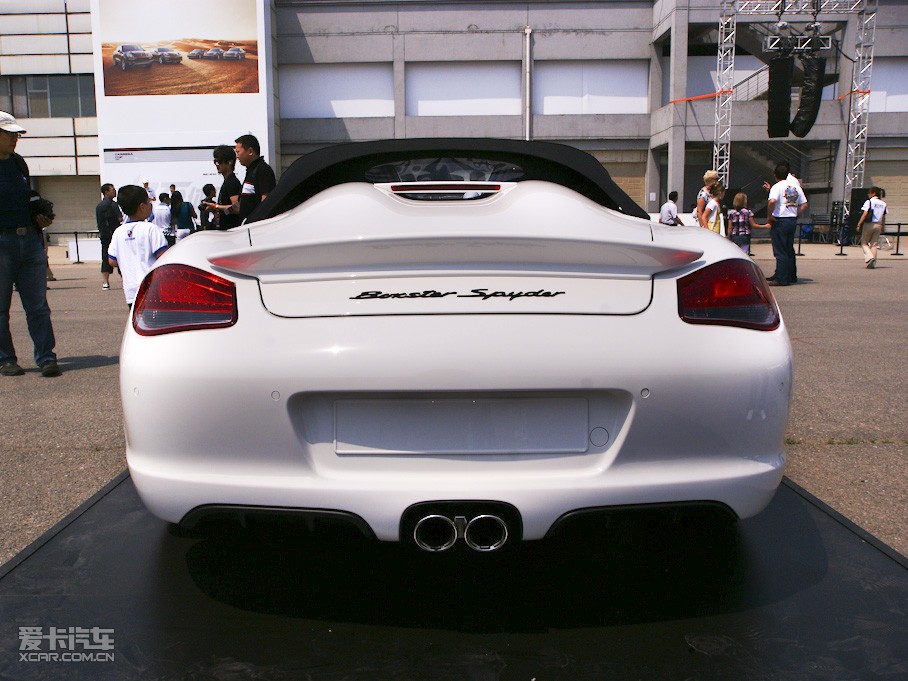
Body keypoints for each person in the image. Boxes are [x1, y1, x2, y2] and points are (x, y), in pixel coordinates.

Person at [0, 111, 60, 377]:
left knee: (38, 306)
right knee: (1, 309)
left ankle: (46, 357)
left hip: (29, 239)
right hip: (2, 241)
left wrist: (39, 212)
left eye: (17, 135)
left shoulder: (17, 162)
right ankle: (6, 359)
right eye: (9, 134)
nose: (15, 139)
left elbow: (26, 196)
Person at [107, 185, 168, 307]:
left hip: (130, 290)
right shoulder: (150, 228)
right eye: (149, 202)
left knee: (136, 318)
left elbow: (112, 261)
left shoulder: (118, 232)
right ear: (142, 207)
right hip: (152, 287)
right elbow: (164, 256)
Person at [767, 163, 808, 286]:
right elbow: (804, 204)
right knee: (788, 248)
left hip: (780, 220)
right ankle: (790, 275)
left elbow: (772, 201)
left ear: (775, 175)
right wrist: (795, 213)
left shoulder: (777, 187)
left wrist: (769, 214)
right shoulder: (796, 187)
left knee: (780, 250)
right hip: (791, 220)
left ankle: (781, 278)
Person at [234, 133, 276, 223]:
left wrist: (254, 220)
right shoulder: (250, 171)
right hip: (246, 226)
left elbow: (266, 202)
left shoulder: (262, 170)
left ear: (250, 151)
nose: (236, 156)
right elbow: (239, 206)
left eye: (238, 152)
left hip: (255, 227)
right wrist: (219, 209)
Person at [205, 145, 242, 230]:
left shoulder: (232, 182)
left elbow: (236, 207)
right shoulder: (227, 181)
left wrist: (216, 206)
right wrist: (218, 210)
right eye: (215, 162)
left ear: (230, 162)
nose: (217, 165)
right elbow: (230, 210)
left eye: (219, 161)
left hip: (232, 231)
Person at [95, 182, 122, 290]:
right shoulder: (113, 205)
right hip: (115, 235)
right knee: (120, 258)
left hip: (104, 236)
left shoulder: (99, 206)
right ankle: (124, 279)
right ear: (106, 192)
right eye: (112, 190)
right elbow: (120, 218)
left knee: (105, 258)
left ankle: (105, 282)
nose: (114, 191)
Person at [856, 186, 887, 269]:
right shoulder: (883, 203)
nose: (868, 194)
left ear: (873, 193)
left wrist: (859, 223)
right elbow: (883, 216)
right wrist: (883, 227)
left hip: (869, 224)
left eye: (869, 193)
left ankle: (870, 258)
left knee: (864, 242)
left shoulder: (869, 202)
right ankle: (872, 264)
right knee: (874, 244)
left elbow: (865, 213)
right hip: (878, 224)